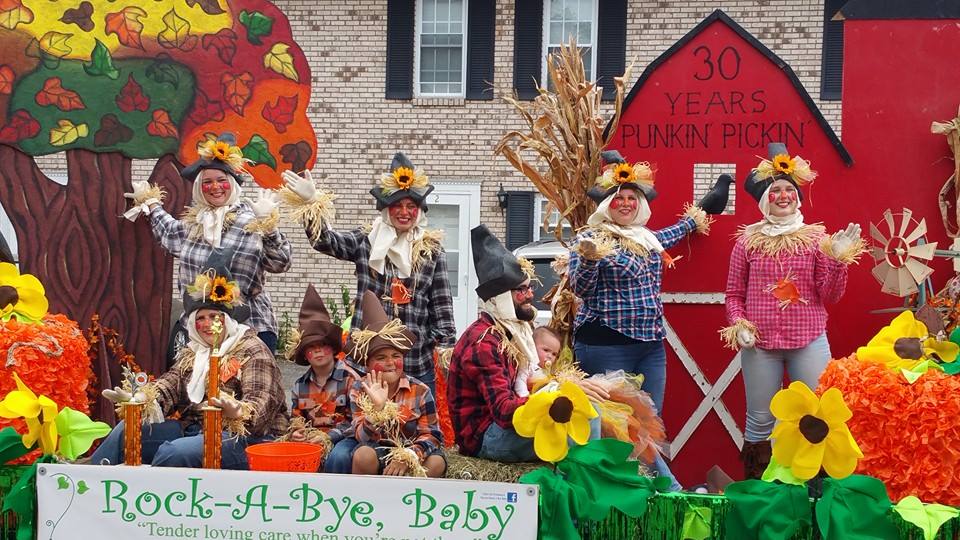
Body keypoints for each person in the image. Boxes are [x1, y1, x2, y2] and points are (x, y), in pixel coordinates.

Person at [721, 142, 863, 479]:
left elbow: (831, 294)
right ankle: (759, 489)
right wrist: (738, 323)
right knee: (759, 419)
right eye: (775, 191)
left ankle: (815, 489)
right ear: (764, 199)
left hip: (809, 341)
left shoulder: (816, 239)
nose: (782, 196)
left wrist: (838, 259)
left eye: (788, 190)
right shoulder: (747, 241)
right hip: (761, 347)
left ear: (797, 197)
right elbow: (733, 293)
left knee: (818, 415)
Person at [93, 249, 289, 468]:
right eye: (200, 318)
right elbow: (171, 383)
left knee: (176, 453)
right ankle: (92, 483)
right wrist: (144, 398)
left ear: (226, 320)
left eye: (213, 317)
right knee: (129, 430)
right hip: (197, 429)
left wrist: (239, 411)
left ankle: (156, 499)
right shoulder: (194, 352)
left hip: (247, 438)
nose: (206, 324)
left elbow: (262, 405)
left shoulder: (252, 350)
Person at [281, 153, 455, 394]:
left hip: (415, 359)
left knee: (416, 424)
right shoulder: (366, 240)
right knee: (364, 424)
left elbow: (442, 305)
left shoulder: (431, 250)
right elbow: (325, 241)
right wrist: (312, 204)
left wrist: (446, 347)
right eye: (397, 205)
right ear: (386, 209)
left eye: (411, 206)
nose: (404, 212)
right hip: (367, 357)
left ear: (419, 211)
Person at [447, 225, 607, 462]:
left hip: (505, 426)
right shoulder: (484, 341)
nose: (530, 295)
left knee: (588, 410)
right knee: (576, 427)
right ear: (501, 297)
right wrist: (557, 395)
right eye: (521, 290)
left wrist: (564, 391)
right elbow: (503, 411)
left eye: (529, 287)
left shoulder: (514, 330)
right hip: (486, 436)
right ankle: (581, 484)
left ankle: (581, 480)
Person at [568, 150, 710, 415]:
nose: (625, 203)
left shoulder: (646, 238)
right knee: (614, 424)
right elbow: (581, 290)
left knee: (650, 419)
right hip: (606, 343)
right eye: (618, 198)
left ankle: (649, 459)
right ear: (606, 204)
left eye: (632, 198)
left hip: (650, 345)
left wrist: (694, 219)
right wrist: (589, 259)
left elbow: (669, 235)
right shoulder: (591, 238)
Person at [124, 133, 291, 352]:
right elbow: (169, 231)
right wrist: (151, 203)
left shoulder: (252, 221)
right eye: (207, 182)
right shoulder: (193, 224)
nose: (215, 187)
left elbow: (280, 263)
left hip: (248, 328)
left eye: (222, 180)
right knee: (194, 385)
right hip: (199, 330)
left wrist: (269, 228)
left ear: (232, 183)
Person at [347, 291, 446, 477]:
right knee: (362, 455)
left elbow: (433, 435)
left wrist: (409, 456)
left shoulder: (420, 390)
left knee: (437, 462)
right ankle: (366, 500)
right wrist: (376, 411)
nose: (390, 363)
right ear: (368, 364)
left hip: (413, 451)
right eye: (381, 358)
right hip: (378, 450)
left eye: (396, 356)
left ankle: (413, 502)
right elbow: (360, 437)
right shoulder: (359, 389)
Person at [287, 284, 360, 473]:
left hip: (345, 439)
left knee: (339, 456)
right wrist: (296, 432)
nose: (318, 350)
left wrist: (330, 437)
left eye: (323, 345)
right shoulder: (300, 386)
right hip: (313, 438)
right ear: (305, 354)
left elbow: (356, 421)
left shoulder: (350, 379)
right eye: (312, 347)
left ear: (333, 348)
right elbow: (296, 418)